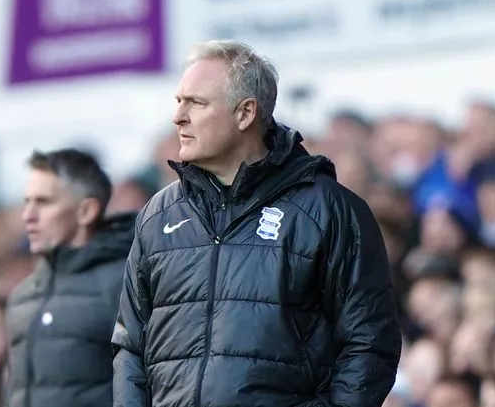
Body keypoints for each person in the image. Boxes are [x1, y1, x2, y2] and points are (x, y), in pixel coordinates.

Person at [112, 40, 402, 407]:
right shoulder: (158, 215)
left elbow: (369, 343)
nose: (178, 117)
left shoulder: (328, 210)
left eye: (196, 103)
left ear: (246, 113)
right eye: (179, 101)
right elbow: (130, 347)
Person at [5, 149, 135, 407]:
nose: (27, 215)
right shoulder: (22, 296)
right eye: (26, 202)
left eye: (43, 202)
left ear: (86, 211)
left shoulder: (126, 285)